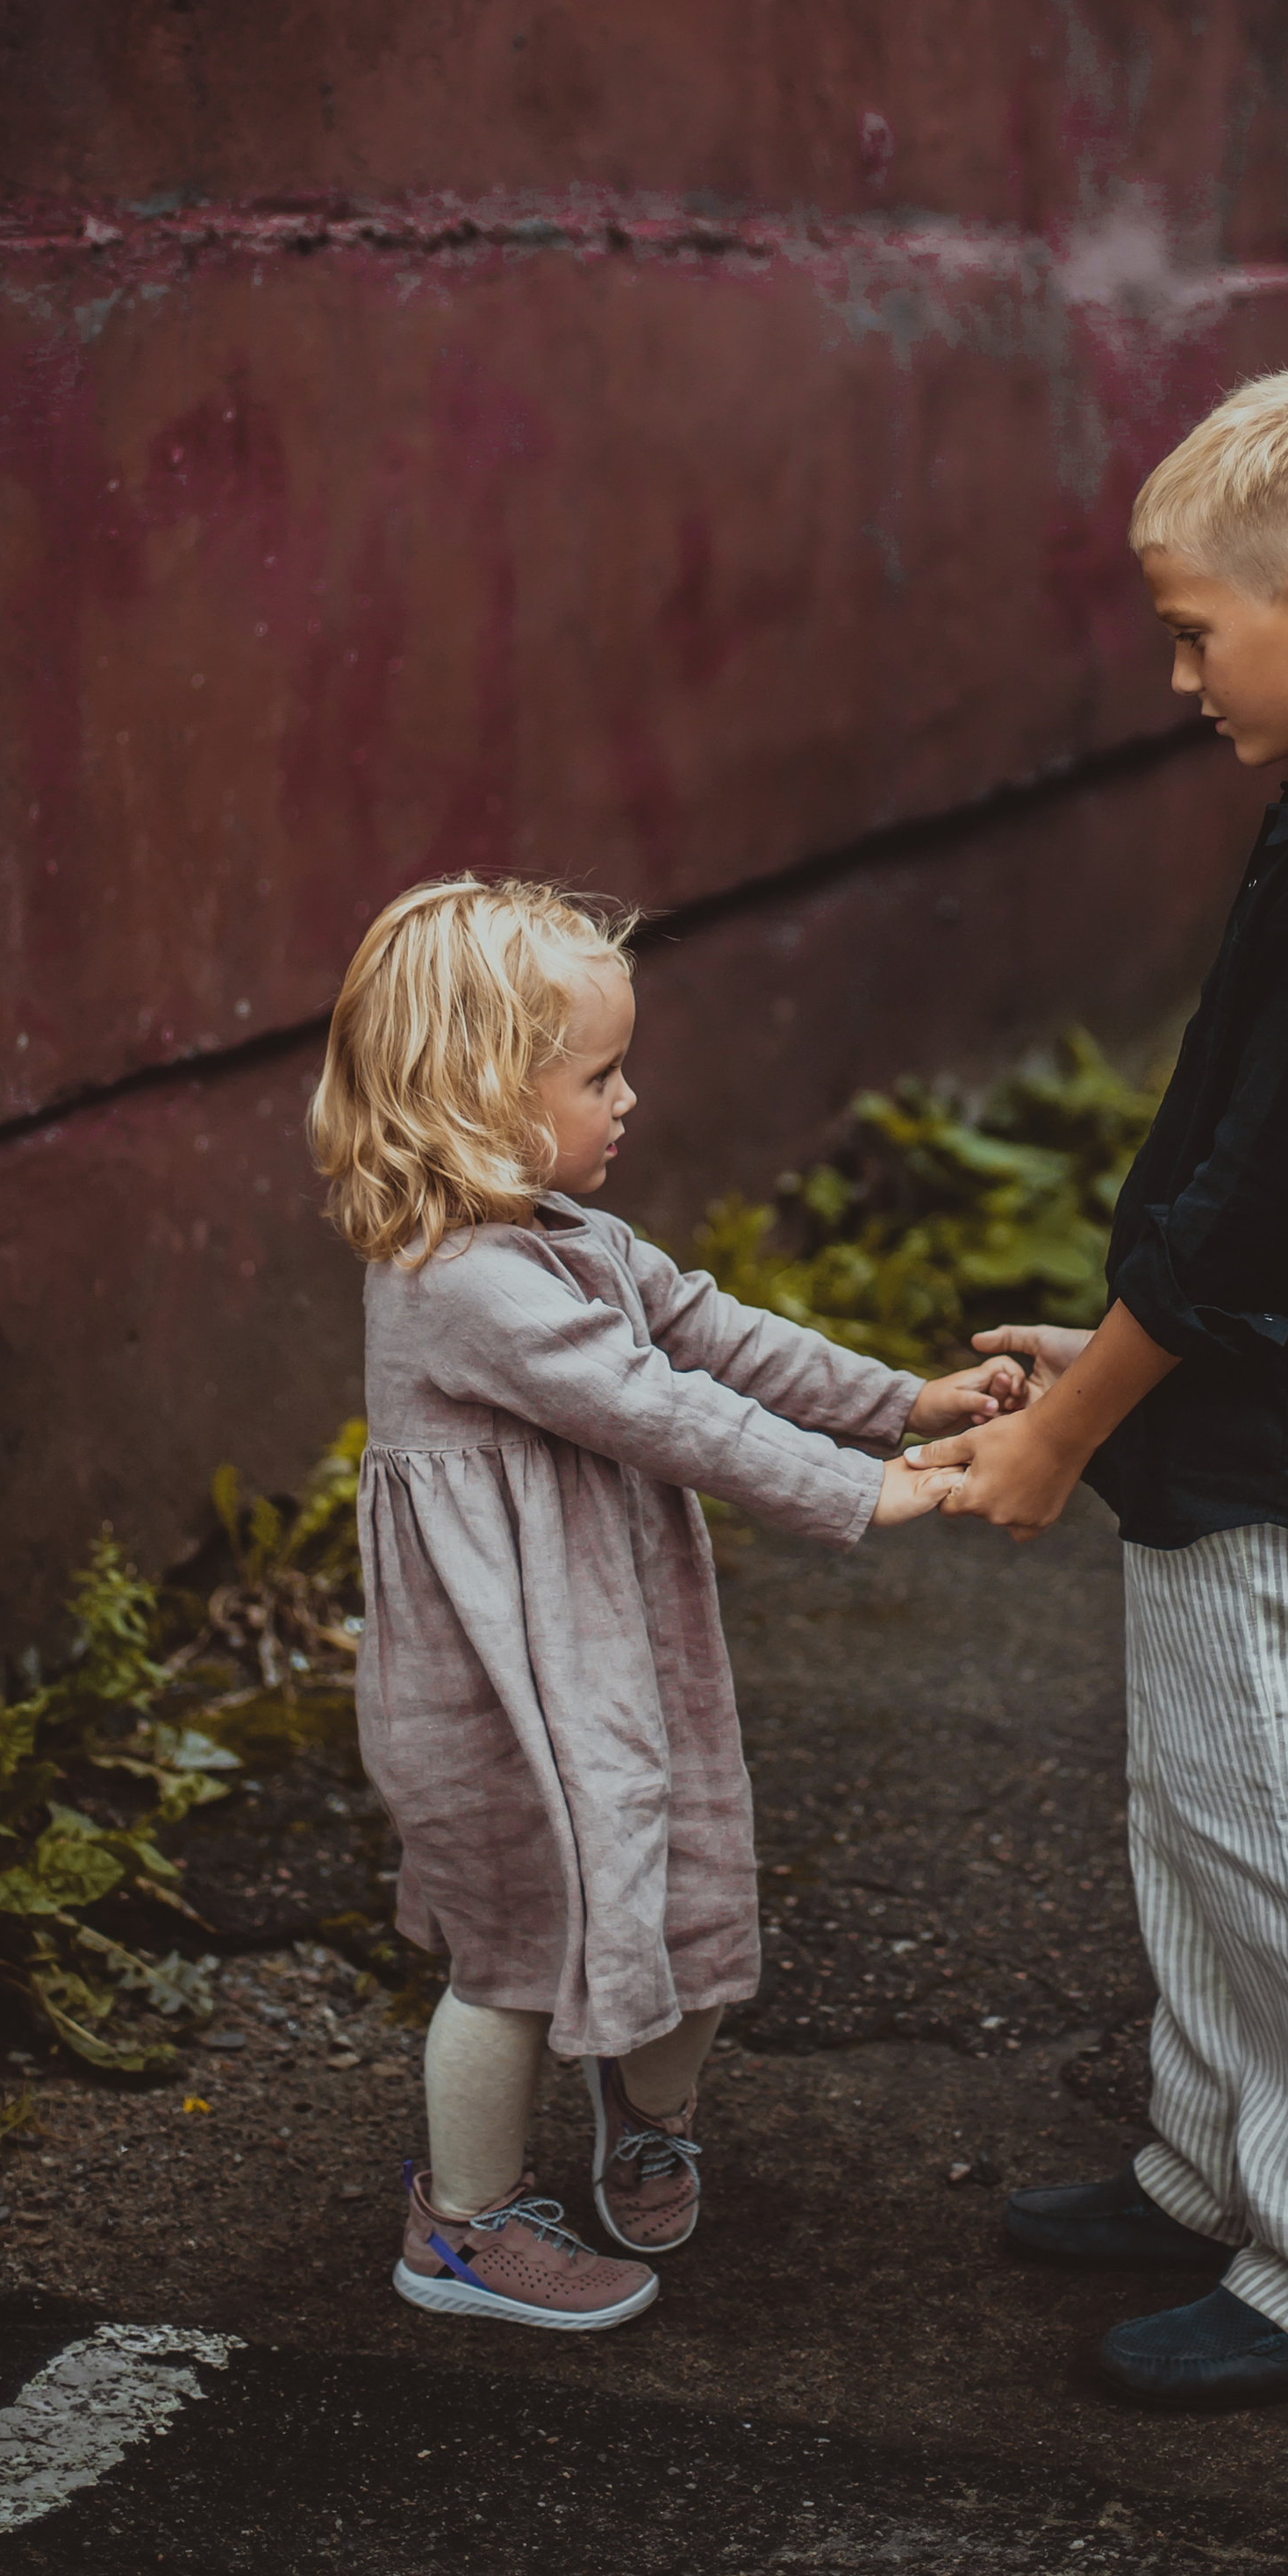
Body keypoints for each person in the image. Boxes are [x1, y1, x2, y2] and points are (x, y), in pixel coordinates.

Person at [910, 356, 1288, 2409]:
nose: (1179, 678)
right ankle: (1208, 2161)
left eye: (1194, 633)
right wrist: (1095, 1364)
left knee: (1286, 1842)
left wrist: (1065, 1425)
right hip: (1228, 1413)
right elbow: (1247, 1168)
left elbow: (1250, 1216)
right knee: (1192, 1819)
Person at [308, 875, 1023, 2331]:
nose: (631, 1097)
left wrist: (897, 1401)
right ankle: (458, 2228)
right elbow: (657, 1405)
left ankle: (648, 2114)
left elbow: (710, 1329)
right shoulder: (464, 1285)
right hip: (502, 1691)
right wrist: (857, 1490)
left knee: (692, 1864)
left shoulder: (566, 1230)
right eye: (600, 1073)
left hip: (616, 1648)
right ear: (481, 1097)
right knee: (514, 1946)